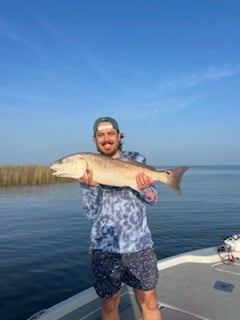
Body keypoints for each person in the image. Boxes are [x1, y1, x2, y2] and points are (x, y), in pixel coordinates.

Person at [79, 116, 162, 320]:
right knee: (110, 304)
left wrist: (144, 189)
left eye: (110, 133)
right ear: (94, 139)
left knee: (149, 301)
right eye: (100, 135)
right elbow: (90, 213)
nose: (106, 139)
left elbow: (152, 198)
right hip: (104, 250)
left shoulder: (136, 158)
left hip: (140, 246)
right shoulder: (87, 168)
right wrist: (91, 188)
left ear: (119, 135)